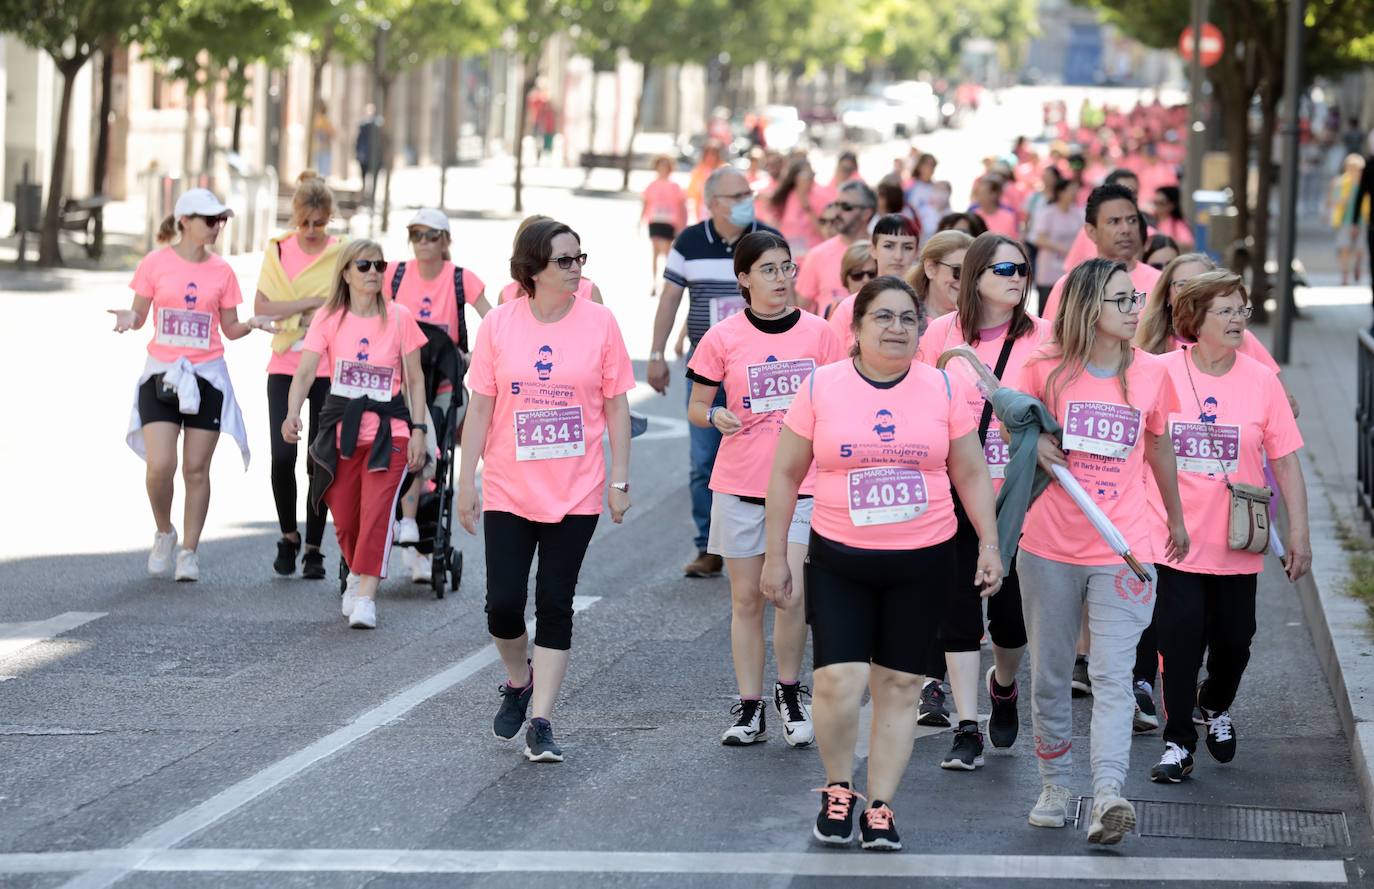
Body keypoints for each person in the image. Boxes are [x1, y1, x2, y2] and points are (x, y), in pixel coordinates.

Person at [761, 276, 1001, 851]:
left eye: (907, 319)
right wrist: (775, 557)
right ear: (858, 327)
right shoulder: (822, 387)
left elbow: (969, 472)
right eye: (883, 318)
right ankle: (838, 788)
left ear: (921, 329)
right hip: (841, 556)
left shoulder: (942, 389)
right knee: (839, 683)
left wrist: (989, 544)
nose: (896, 329)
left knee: (899, 684)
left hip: (923, 559)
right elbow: (786, 475)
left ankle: (882, 806)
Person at [1018, 258, 1190, 845]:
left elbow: (1159, 446)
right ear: (1090, 305)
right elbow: (1008, 431)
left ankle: (1109, 793)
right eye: (1122, 301)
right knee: (1051, 673)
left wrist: (1176, 517)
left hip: (1124, 547)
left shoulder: (1151, 373)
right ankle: (1054, 784)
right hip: (1048, 546)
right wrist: (1035, 442)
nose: (1134, 310)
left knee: (1117, 677)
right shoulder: (1043, 368)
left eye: (1136, 299)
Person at [457, 219, 634, 763]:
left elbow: (617, 406)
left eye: (580, 257)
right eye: (565, 260)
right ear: (533, 267)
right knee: (503, 607)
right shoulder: (500, 326)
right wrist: (466, 481)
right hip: (510, 487)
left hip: (577, 489)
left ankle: (542, 720)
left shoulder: (601, 322)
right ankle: (518, 679)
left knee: (555, 603)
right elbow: (480, 407)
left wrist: (620, 479)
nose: (577, 267)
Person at [1145, 270, 1311, 784]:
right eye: (1228, 310)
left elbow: (1285, 461)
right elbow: (1142, 445)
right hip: (1173, 533)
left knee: (1236, 640)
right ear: (1195, 317)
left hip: (1238, 537)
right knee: (1178, 637)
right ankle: (1178, 742)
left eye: (1242, 309)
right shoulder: (1159, 371)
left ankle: (1215, 703)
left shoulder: (1261, 381)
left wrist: (1299, 535)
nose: (1240, 318)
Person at [687, 231, 843, 747]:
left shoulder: (821, 335)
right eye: (769, 269)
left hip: (806, 483)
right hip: (740, 483)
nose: (780, 278)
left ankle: (789, 692)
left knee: (790, 593)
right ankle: (750, 706)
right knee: (746, 600)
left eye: (786, 267)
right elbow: (696, 407)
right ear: (744, 279)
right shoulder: (723, 337)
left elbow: (844, 396)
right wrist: (715, 414)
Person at [913, 234, 1054, 764]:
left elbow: (1059, 405)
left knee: (1012, 624)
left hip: (1021, 500)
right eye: (1004, 269)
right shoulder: (938, 335)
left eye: (1022, 268)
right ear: (974, 276)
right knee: (959, 613)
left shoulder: (1045, 337)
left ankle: (1004, 684)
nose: (1017, 276)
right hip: (954, 493)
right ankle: (966, 726)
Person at [112, 189, 271, 582]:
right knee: (160, 464)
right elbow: (140, 312)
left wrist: (250, 324)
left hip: (207, 378)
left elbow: (230, 328)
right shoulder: (155, 263)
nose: (217, 226)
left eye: (221, 220)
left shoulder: (223, 271)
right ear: (184, 221)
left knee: (197, 470)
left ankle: (189, 552)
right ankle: (165, 530)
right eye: (210, 219)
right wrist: (128, 318)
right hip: (162, 375)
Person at [284, 240, 428, 629]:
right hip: (341, 431)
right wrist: (292, 412)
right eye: (363, 265)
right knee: (346, 517)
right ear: (346, 272)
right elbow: (304, 372)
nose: (373, 272)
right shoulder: (329, 318)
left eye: (379, 265)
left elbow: (415, 380)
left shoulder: (400, 317)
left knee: (377, 513)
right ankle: (355, 574)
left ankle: (366, 595)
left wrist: (419, 431)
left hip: (390, 431)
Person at [648, 166, 781, 578]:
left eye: (748, 192)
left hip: (763, 367)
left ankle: (774, 545)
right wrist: (656, 352)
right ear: (713, 203)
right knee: (703, 459)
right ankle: (708, 547)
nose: (747, 200)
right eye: (736, 194)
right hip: (708, 367)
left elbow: (791, 296)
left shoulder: (767, 240)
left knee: (773, 457)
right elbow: (671, 298)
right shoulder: (689, 241)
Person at [384, 208, 493, 582]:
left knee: (431, 445)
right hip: (398, 380)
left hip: (444, 380)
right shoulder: (394, 275)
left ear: (445, 241)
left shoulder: (461, 279)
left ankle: (418, 536)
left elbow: (493, 321)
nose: (424, 243)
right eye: (417, 235)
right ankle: (402, 530)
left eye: (432, 236)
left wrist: (476, 355)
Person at [254, 172, 349, 580]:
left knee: (320, 459)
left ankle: (313, 546)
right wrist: (310, 302)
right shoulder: (277, 250)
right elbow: (262, 305)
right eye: (304, 223)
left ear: (329, 219)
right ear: (294, 218)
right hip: (285, 362)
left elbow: (348, 303)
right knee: (281, 455)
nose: (310, 231)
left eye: (319, 223)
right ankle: (288, 536)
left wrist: (299, 309)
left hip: (328, 365)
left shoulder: (343, 253)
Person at [1040, 183, 1161, 323]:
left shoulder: (1160, 283)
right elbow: (1051, 341)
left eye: (1132, 220)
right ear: (1092, 232)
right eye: (1114, 221)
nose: (1126, 229)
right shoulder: (1070, 287)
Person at [826, 215, 920, 351]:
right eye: (889, 246)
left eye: (908, 247)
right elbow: (831, 358)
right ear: (873, 250)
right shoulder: (849, 307)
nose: (898, 256)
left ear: (917, 253)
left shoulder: (926, 305)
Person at [794, 181, 877, 315]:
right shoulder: (817, 255)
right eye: (836, 205)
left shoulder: (882, 252)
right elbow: (800, 312)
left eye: (846, 206)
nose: (837, 212)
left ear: (866, 213)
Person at [498, 215, 604, 305]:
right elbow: (497, 326)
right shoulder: (508, 293)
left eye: (577, 258)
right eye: (563, 260)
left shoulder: (588, 290)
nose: (576, 268)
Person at [1029, 178, 1083, 315]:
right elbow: (1039, 238)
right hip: (1049, 268)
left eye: (1076, 190)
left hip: (1070, 267)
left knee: (1067, 308)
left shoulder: (1077, 213)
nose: (1074, 193)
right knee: (1045, 307)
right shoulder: (1048, 213)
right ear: (1060, 193)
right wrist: (1062, 249)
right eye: (1071, 190)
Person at [768, 158, 833, 259]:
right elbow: (775, 223)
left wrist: (807, 206)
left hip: (813, 256)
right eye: (807, 174)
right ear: (796, 177)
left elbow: (826, 233)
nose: (811, 177)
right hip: (789, 256)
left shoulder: (822, 196)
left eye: (813, 173)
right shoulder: (786, 196)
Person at [642, 155, 688, 294]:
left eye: (666, 166)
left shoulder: (675, 186)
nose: (663, 169)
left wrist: (681, 225)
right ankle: (654, 283)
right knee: (655, 253)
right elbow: (645, 203)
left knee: (667, 253)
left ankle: (666, 283)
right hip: (655, 221)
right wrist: (640, 220)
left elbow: (682, 206)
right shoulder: (652, 185)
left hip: (669, 222)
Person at [905, 229, 972, 320]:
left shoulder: (979, 322)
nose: (964, 281)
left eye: (970, 273)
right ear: (930, 268)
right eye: (957, 270)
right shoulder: (905, 318)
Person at [1330, 153, 1367, 286]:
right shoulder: (1341, 183)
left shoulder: (1365, 184)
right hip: (1344, 221)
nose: (1354, 172)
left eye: (1357, 169)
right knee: (1344, 248)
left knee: (1360, 249)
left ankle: (1357, 266)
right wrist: (1343, 200)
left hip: (1363, 222)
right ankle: (1345, 275)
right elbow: (1333, 201)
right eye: (1351, 168)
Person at [834, 242, 877, 318]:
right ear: (845, 278)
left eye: (872, 274)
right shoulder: (832, 310)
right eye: (857, 275)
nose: (866, 280)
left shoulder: (891, 310)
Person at [686, 142, 724, 223]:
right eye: (708, 155)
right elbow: (692, 191)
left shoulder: (723, 169)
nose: (710, 158)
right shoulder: (698, 171)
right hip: (703, 207)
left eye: (713, 155)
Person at [356, 104, 383, 204]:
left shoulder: (377, 125)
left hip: (371, 156)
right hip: (367, 156)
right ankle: (366, 196)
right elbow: (359, 141)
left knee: (370, 178)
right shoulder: (366, 125)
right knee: (365, 178)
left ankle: (369, 197)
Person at [1150, 186, 1193, 250]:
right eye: (1155, 202)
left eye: (1161, 203)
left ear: (1172, 205)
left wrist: (1163, 240)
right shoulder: (1148, 219)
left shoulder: (1177, 223)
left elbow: (1188, 244)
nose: (1157, 206)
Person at [312, 102, 336, 178]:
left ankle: (321, 176)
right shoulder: (325, 121)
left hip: (320, 145)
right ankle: (322, 177)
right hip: (324, 145)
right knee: (323, 163)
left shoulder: (319, 120)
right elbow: (332, 133)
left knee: (321, 163)